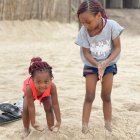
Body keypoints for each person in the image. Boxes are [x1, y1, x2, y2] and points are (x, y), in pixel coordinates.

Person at [75, 0, 124, 133]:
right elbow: (85, 52)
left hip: (109, 65)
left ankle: (108, 124)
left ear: (99, 15)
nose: (85, 25)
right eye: (82, 22)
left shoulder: (112, 26)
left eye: (88, 22)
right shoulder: (84, 31)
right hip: (91, 65)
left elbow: (118, 48)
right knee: (89, 96)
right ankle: (84, 127)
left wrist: (105, 63)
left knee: (106, 96)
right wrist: (97, 64)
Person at [21, 57, 61, 138]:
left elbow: (55, 105)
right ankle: (26, 129)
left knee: (49, 107)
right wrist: (33, 122)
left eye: (46, 82)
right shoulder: (29, 87)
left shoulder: (52, 86)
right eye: (38, 82)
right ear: (32, 79)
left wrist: (59, 121)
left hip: (45, 94)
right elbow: (31, 107)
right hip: (32, 93)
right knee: (25, 108)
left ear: (51, 79)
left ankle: (51, 127)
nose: (42, 85)